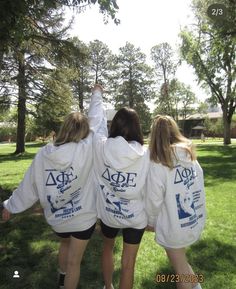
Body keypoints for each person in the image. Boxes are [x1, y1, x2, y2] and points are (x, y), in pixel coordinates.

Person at [1, 84, 105, 289]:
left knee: (65, 244)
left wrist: (9, 206)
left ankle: (61, 280)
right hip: (83, 218)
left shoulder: (44, 154)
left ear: (64, 128)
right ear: (84, 130)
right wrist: (97, 94)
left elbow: (28, 185)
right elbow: (97, 119)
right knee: (75, 261)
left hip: (58, 220)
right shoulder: (88, 148)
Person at [145, 115, 206, 289]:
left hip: (174, 226)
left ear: (154, 134)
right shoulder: (191, 157)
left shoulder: (158, 163)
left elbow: (153, 200)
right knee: (182, 265)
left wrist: (150, 222)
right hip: (192, 220)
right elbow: (199, 188)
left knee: (180, 269)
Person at [93, 104, 150, 289]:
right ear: (137, 127)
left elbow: (95, 125)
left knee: (108, 248)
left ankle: (108, 286)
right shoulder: (146, 155)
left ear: (114, 125)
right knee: (128, 264)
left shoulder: (101, 148)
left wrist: (97, 96)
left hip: (109, 214)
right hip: (135, 217)